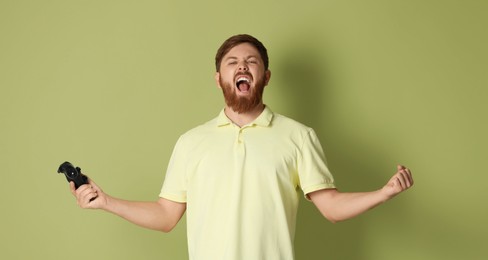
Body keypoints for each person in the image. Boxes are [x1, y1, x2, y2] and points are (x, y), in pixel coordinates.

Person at [71, 34, 414, 260]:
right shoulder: (192, 142)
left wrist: (382, 193)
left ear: (265, 76)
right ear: (219, 77)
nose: (242, 66)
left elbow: (331, 206)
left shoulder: (298, 136)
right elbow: (165, 216)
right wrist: (106, 202)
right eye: (232, 62)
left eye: (252, 61)